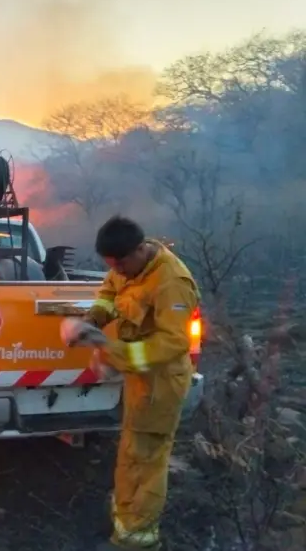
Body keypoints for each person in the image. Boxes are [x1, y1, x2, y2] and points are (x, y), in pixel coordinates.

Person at [62, 215, 200, 550]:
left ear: (140, 249)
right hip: (141, 381)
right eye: (112, 265)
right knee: (131, 451)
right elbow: (110, 292)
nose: (117, 271)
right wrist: (92, 319)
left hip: (162, 383)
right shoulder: (128, 264)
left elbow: (173, 343)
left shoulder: (171, 282)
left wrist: (111, 351)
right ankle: (125, 519)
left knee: (148, 459)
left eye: (120, 264)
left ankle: (137, 539)